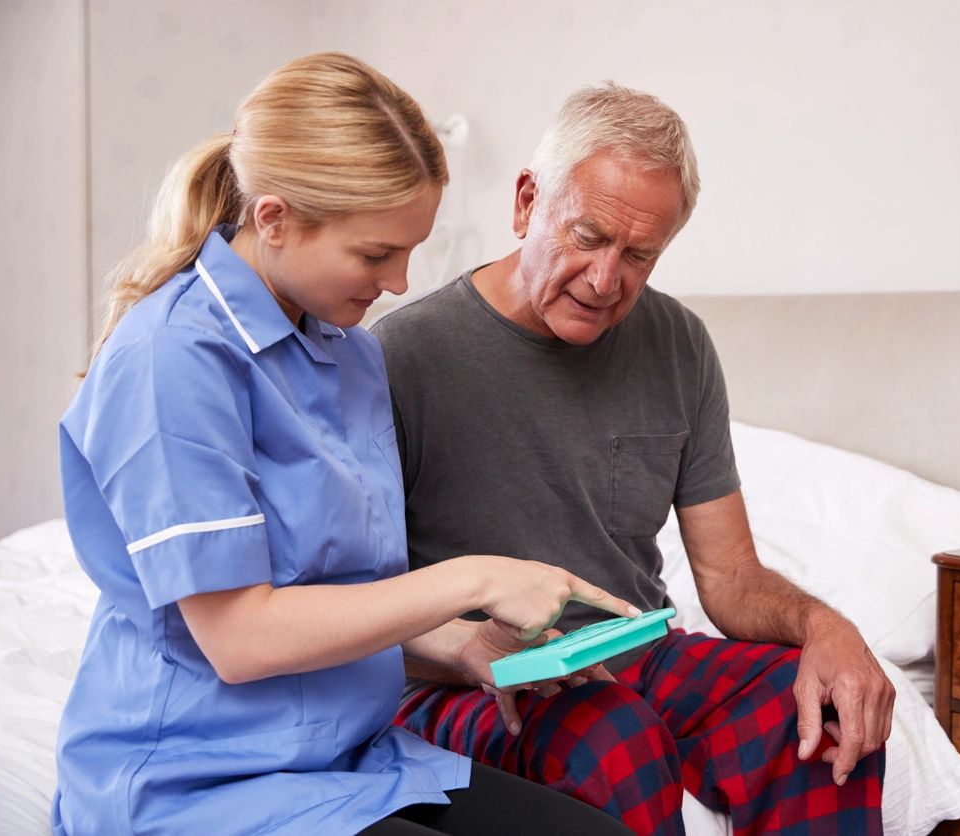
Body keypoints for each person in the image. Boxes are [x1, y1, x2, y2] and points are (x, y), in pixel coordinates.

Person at [51, 53, 638, 836]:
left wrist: (464, 642)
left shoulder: (350, 353)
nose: (398, 282)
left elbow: (328, 585)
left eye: (409, 251)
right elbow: (240, 639)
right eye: (374, 254)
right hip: (195, 782)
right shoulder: (174, 358)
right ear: (275, 219)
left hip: (344, 759)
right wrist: (479, 577)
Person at [371, 82, 897, 835]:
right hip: (467, 678)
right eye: (588, 236)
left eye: (640, 254)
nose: (606, 279)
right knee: (612, 736)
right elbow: (359, 598)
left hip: (632, 654)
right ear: (526, 203)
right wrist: (474, 651)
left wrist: (825, 626)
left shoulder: (679, 346)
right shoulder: (401, 356)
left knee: (818, 706)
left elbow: (731, 579)